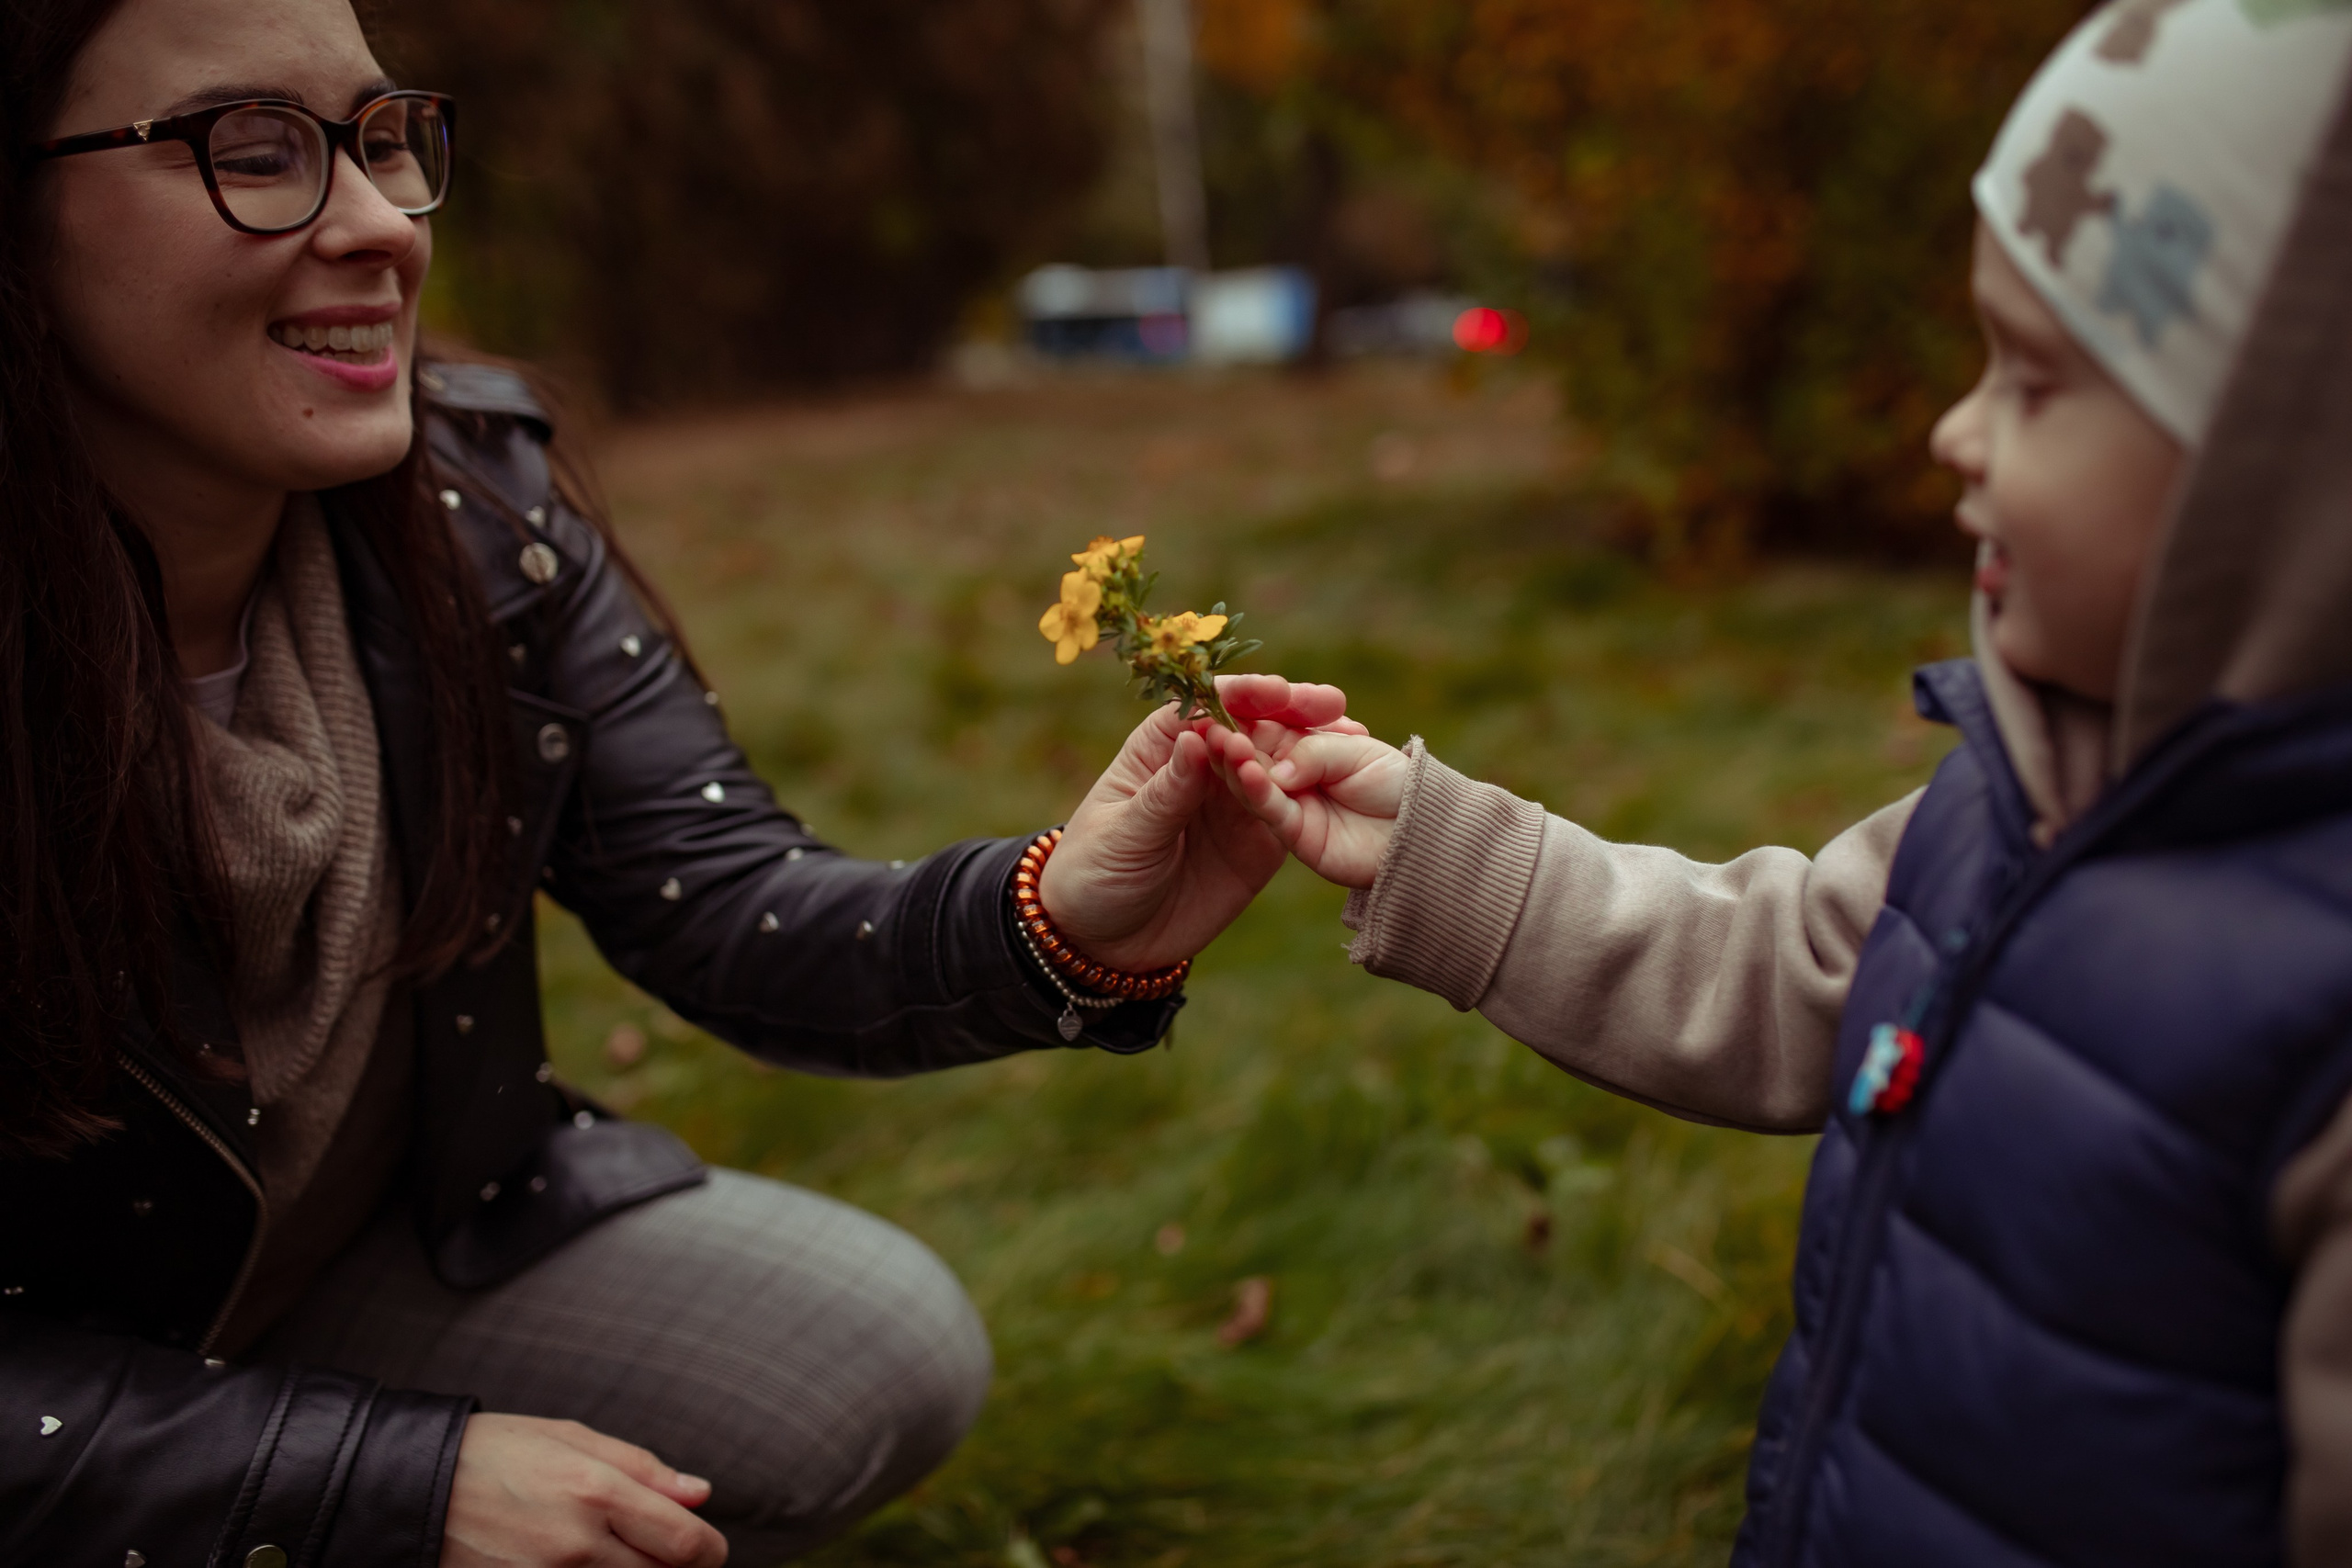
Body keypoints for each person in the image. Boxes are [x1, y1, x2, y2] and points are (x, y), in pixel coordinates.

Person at [0, 0, 1349, 1563]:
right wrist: (385, 1484)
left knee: (870, 1350)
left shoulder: (466, 513)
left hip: (328, 1262)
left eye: (380, 141)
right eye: (250, 151)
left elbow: (724, 906)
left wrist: (1059, 915)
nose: (377, 225)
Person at [1216, 3, 2352, 1562]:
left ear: (2283, 473)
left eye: (2033, 380)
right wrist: (1445, 851)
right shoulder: (2017, 790)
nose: (1957, 430)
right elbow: (1779, 965)